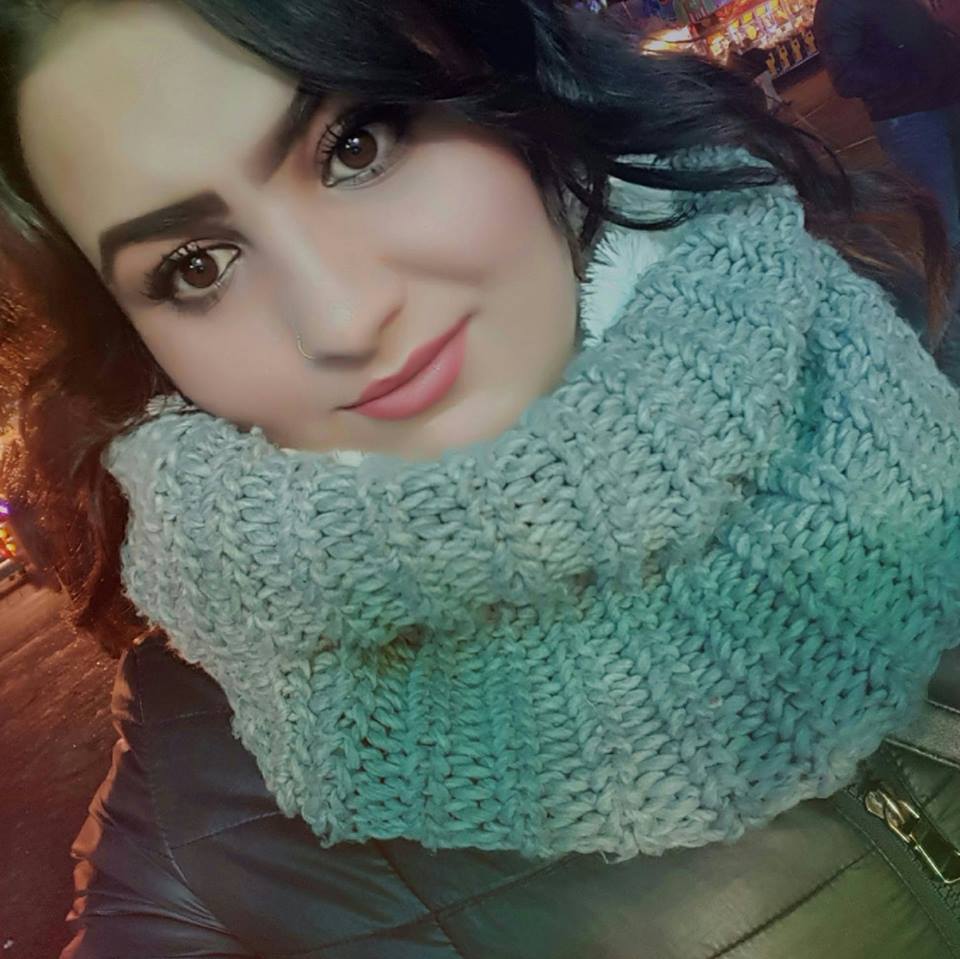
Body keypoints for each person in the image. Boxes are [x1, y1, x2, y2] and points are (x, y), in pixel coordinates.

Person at [0, 2, 959, 957]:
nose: (342, 318)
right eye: (197, 266)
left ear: (505, 80)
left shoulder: (874, 301)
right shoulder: (205, 783)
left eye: (358, 145)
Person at [814, 0, 960, 256]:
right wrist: (918, 69)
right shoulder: (837, 6)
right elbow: (846, 77)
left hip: (949, 96)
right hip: (909, 120)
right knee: (947, 220)